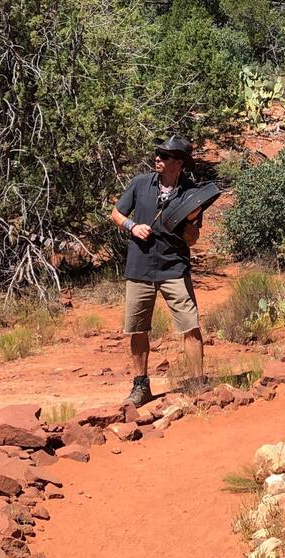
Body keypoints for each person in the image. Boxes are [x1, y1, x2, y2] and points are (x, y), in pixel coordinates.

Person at [111, 136, 206, 407]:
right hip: (139, 266)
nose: (157, 158)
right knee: (137, 328)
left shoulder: (191, 194)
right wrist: (132, 226)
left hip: (174, 267)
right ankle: (140, 386)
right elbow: (116, 213)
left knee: (190, 325)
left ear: (179, 163)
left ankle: (198, 385)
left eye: (164, 156)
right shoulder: (140, 183)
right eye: (157, 153)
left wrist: (191, 222)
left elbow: (191, 240)